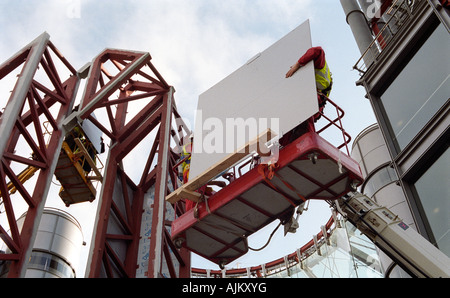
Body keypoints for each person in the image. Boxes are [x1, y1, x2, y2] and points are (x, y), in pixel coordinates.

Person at [282, 46, 333, 144]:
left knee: (303, 116)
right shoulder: (311, 78)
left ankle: (307, 141)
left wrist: (298, 64)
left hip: (315, 100)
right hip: (314, 102)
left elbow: (318, 50)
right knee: (294, 120)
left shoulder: (318, 66)